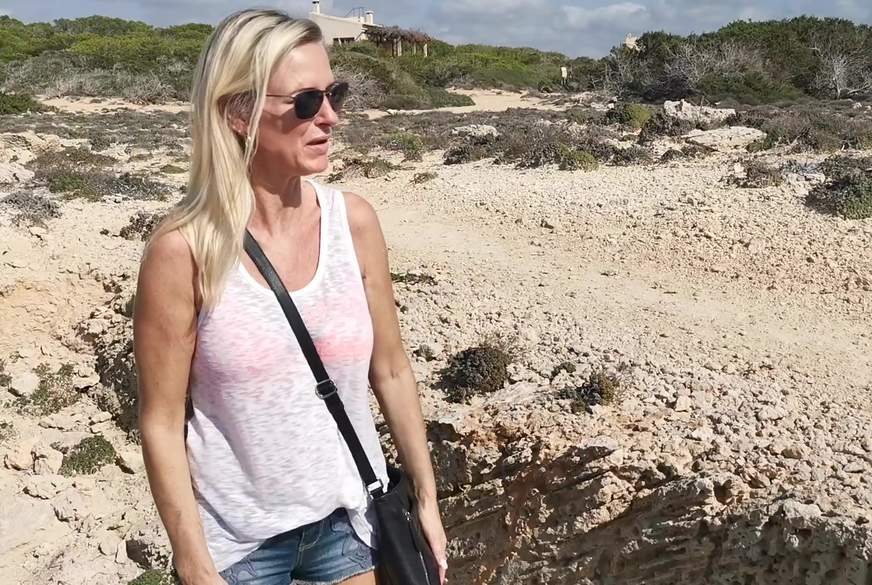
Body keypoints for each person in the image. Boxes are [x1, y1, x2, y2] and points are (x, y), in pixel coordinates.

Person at [133, 9, 448, 585]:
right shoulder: (183, 252)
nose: (330, 116)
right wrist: (193, 562)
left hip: (351, 526)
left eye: (334, 94)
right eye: (305, 102)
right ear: (238, 113)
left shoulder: (353, 223)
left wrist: (426, 497)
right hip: (240, 549)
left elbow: (392, 369)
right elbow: (161, 419)